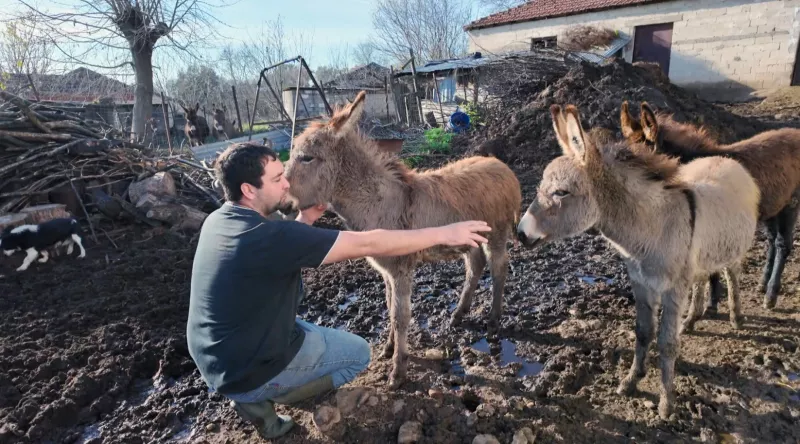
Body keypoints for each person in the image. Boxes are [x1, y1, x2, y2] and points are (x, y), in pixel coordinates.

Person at [187, 142, 492, 439]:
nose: (287, 184)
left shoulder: (218, 220)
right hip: (245, 370)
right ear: (248, 190)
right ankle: (281, 396)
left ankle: (255, 392)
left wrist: (305, 219)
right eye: (278, 179)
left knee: (304, 332)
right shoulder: (271, 235)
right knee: (357, 354)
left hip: (213, 357)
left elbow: (280, 247)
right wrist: (444, 232)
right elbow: (369, 243)